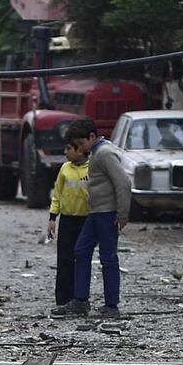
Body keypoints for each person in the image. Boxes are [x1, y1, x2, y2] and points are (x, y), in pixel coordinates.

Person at [56, 117, 130, 319]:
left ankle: (111, 305)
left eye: (81, 144)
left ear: (91, 137)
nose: (81, 149)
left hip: (107, 213)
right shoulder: (97, 153)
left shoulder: (105, 153)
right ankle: (80, 300)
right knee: (80, 251)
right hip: (95, 212)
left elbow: (123, 182)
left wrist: (123, 212)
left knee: (108, 257)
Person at [44, 142, 92, 310]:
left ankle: (79, 297)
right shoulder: (65, 169)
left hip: (86, 221)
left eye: (68, 149)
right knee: (64, 259)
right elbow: (57, 195)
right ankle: (63, 299)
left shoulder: (92, 168)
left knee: (81, 259)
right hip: (67, 220)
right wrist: (52, 218)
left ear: (79, 151)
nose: (65, 152)